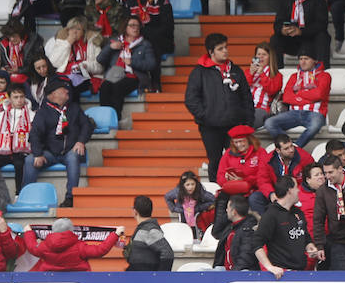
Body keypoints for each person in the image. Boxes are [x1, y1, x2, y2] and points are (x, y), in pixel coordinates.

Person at [184, 33, 252, 181]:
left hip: (234, 125)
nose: (225, 51)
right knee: (215, 161)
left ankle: (236, 196)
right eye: (220, 48)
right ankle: (216, 194)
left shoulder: (236, 70)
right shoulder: (199, 72)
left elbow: (246, 96)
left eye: (226, 47)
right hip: (210, 127)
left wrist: (248, 121)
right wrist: (206, 116)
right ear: (211, 52)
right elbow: (191, 99)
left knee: (235, 161)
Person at [26, 82, 92, 208]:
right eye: (63, 90)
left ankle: (70, 198)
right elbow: (34, 134)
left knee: (73, 157)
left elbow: (86, 125)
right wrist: (38, 154)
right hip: (50, 153)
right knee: (30, 160)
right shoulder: (43, 112)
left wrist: (81, 141)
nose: (67, 92)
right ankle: (28, 196)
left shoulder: (74, 108)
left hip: (70, 151)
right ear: (53, 94)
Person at [265, 50, 330, 149]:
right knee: (269, 123)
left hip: (314, 113)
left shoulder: (324, 76)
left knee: (315, 126)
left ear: (315, 60)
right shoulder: (294, 76)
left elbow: (319, 94)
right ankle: (288, 145)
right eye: (300, 59)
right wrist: (309, 97)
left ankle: (295, 148)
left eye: (306, 59)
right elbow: (287, 97)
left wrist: (298, 93)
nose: (303, 62)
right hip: (293, 113)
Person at [21, 218, 120, 272]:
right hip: (80, 281)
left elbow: (32, 247)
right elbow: (100, 250)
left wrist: (28, 233)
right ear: (71, 230)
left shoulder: (44, 246)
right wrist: (115, 234)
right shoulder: (80, 247)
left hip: (50, 281)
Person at [126, 195, 175, 271]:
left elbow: (168, 253)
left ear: (134, 211)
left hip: (147, 278)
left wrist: (160, 277)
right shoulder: (144, 228)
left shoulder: (150, 230)